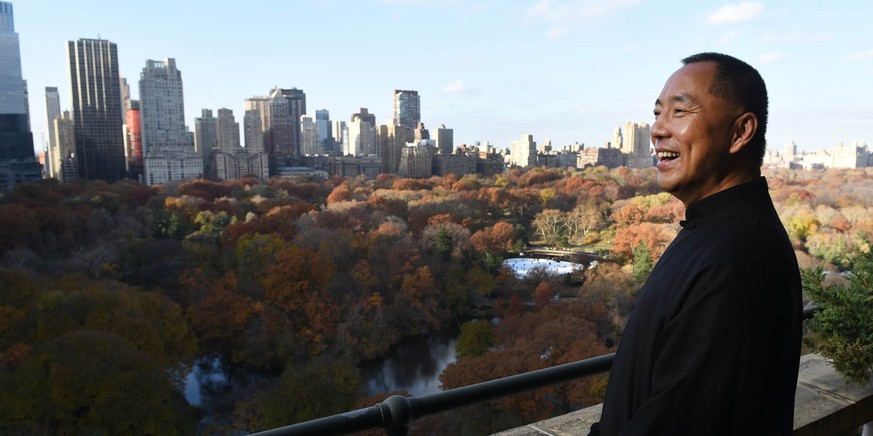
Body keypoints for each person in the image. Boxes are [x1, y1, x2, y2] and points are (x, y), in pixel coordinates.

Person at [588, 52, 802, 435]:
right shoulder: (713, 232)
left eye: (679, 112)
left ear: (741, 132)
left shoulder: (736, 263)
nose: (657, 129)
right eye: (657, 113)